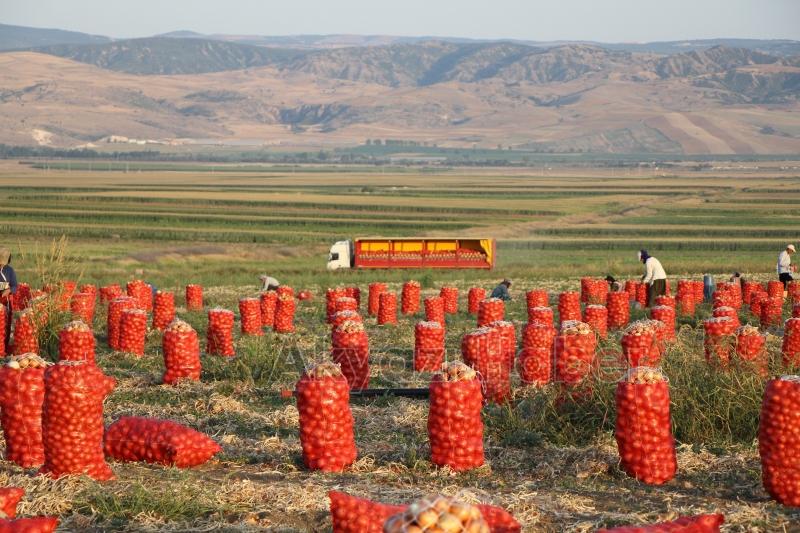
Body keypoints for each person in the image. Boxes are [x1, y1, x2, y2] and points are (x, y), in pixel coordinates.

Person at [0, 248, 18, 352]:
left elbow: (15, 286)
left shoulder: (10, 271)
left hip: (5, 301)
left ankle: (4, 349)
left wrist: (9, 290)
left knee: (6, 326)